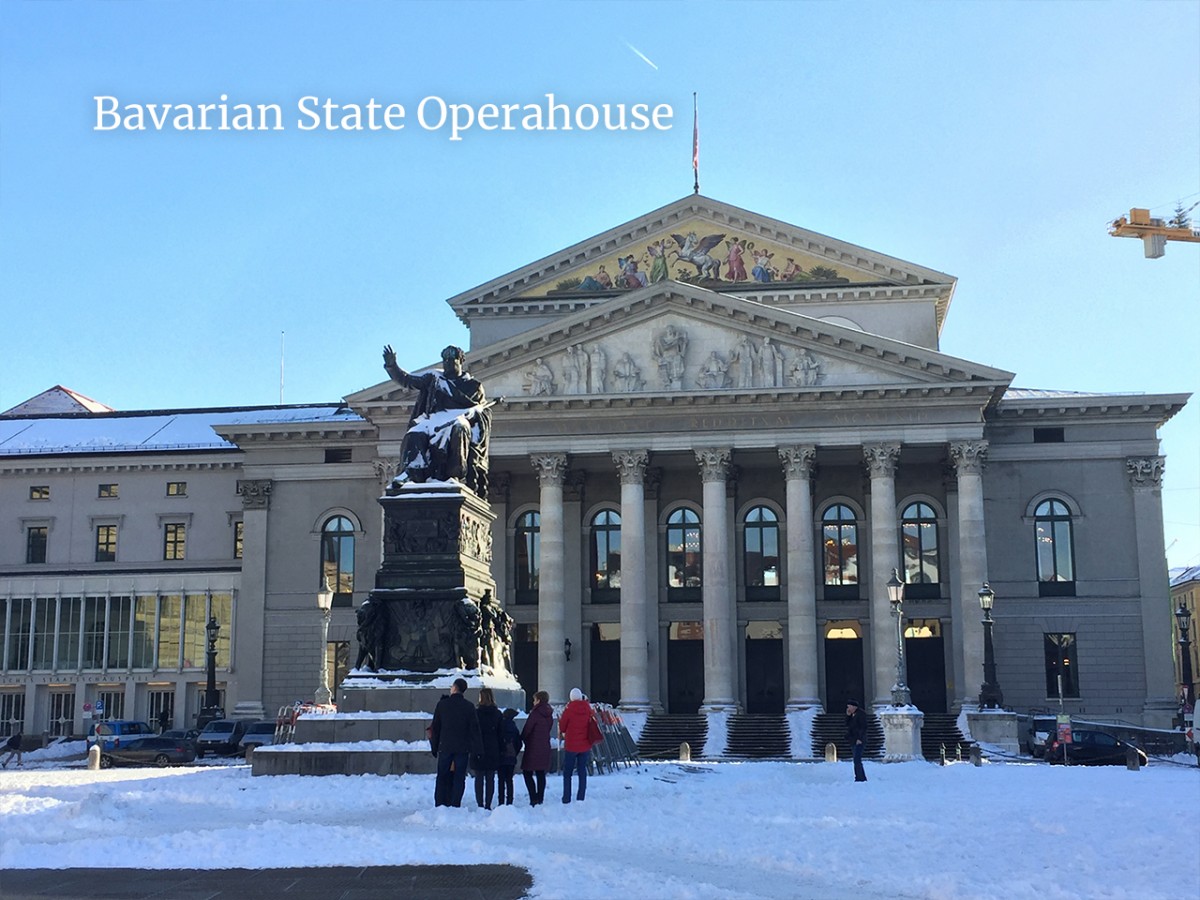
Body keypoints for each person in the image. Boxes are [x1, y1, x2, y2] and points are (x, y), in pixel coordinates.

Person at [382, 344, 493, 497]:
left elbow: (480, 412)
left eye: (451, 359)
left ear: (461, 361)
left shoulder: (473, 386)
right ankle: (412, 473)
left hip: (458, 420)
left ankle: (454, 475)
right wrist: (392, 366)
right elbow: (407, 380)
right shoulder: (434, 377)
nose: (447, 363)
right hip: (432, 420)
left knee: (460, 428)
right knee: (415, 433)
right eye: (445, 360)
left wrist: (473, 414)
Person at [430, 678, 483, 807]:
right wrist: (478, 749)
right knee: (459, 777)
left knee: (442, 776)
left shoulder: (442, 705)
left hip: (445, 746)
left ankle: (440, 802)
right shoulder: (469, 706)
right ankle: (455, 802)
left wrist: (434, 747)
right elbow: (474, 729)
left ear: (454, 688)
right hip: (462, 747)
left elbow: (435, 727)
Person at [558, 688, 601, 804]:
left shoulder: (568, 710)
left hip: (571, 745)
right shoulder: (587, 708)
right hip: (585, 744)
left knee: (568, 772)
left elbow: (562, 727)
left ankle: (566, 797)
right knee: (582, 770)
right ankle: (581, 796)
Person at [520, 690, 553, 806]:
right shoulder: (549, 714)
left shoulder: (535, 713)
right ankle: (540, 798)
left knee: (527, 772)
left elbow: (527, 729)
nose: (533, 702)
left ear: (538, 700)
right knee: (540, 773)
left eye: (534, 700)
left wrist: (522, 738)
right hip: (544, 746)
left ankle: (533, 798)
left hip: (533, 747)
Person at [471, 688, 503, 810]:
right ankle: (488, 804)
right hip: (493, 748)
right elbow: (500, 733)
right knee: (490, 778)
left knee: (479, 778)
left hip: (478, 747)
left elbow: (472, 731)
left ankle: (480, 804)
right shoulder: (497, 714)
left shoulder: (476, 713)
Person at [497, 708, 522, 806]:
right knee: (509, 780)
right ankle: (510, 801)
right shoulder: (514, 727)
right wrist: (514, 752)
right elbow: (519, 743)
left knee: (501, 780)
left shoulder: (500, 726)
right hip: (511, 757)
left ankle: (501, 801)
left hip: (501, 757)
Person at [846, 699, 868, 783]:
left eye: (849, 707)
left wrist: (860, 738)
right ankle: (860, 777)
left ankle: (860, 778)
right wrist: (848, 716)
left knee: (857, 759)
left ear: (854, 707)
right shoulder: (852, 715)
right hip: (853, 739)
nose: (848, 709)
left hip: (859, 740)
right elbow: (847, 724)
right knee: (856, 759)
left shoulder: (861, 714)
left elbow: (863, 727)